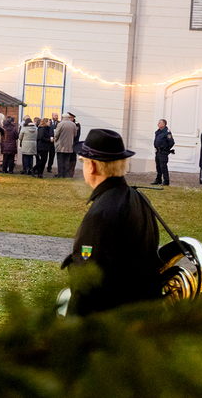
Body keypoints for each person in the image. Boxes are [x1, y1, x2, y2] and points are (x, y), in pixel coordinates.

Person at [62, 129, 161, 316]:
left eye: (83, 162)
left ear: (92, 166)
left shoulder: (100, 214)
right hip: (142, 317)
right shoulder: (140, 199)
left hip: (111, 322)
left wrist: (71, 328)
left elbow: (86, 283)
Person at [151, 119, 174, 186]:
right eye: (158, 123)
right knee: (158, 166)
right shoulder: (158, 132)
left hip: (163, 152)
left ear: (163, 124)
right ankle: (158, 180)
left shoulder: (167, 132)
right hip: (158, 151)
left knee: (163, 166)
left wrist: (166, 148)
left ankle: (166, 181)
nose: (158, 124)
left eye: (160, 123)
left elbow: (171, 142)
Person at [54, 113, 77, 178]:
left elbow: (56, 134)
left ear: (62, 117)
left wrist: (55, 140)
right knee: (67, 161)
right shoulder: (73, 124)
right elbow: (75, 134)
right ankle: (66, 174)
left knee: (60, 160)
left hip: (61, 145)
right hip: (69, 145)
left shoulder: (60, 124)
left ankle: (60, 174)